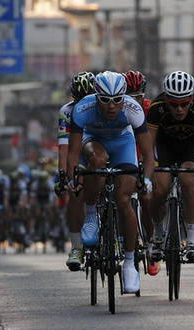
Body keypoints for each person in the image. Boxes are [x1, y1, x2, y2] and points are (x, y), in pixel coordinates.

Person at [66, 71, 154, 293]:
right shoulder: (82, 109)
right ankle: (90, 217)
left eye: (117, 100)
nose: (112, 106)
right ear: (96, 97)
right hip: (92, 140)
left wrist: (147, 179)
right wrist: (72, 179)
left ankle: (129, 264)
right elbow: (72, 153)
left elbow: (147, 154)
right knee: (97, 161)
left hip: (122, 142)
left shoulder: (133, 109)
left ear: (124, 97)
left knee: (124, 199)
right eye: (105, 100)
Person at [147, 71, 194, 263]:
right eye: (173, 104)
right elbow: (148, 144)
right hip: (164, 150)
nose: (179, 109)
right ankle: (158, 235)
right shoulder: (156, 108)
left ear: (191, 98)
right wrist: (145, 172)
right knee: (159, 189)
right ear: (166, 99)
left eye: (184, 103)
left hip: (190, 150)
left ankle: (192, 241)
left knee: (188, 180)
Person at [56, 71, 95, 270]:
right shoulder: (67, 111)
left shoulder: (102, 106)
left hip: (99, 151)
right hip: (77, 154)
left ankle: (116, 239)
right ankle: (76, 247)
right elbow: (64, 148)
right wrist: (63, 174)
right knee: (75, 194)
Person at [123, 70, 158, 276]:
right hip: (124, 155)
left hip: (144, 155)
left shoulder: (149, 109)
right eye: (130, 95)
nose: (134, 100)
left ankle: (151, 246)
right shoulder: (116, 106)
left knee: (146, 198)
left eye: (138, 95)